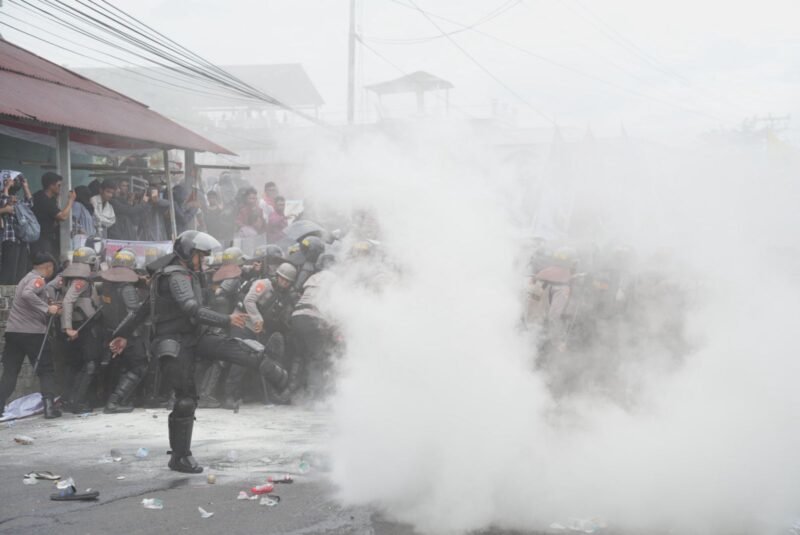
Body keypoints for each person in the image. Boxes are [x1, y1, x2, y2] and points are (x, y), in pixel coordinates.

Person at [109, 230, 288, 474]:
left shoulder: (182, 273)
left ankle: (275, 372)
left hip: (194, 335)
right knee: (185, 400)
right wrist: (226, 319)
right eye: (199, 256)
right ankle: (180, 457)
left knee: (231, 347)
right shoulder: (176, 276)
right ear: (187, 253)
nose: (202, 261)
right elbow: (189, 308)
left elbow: (141, 311)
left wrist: (120, 333)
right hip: (174, 341)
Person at [0, 252, 62, 419]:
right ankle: (49, 408)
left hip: (14, 333)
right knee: (46, 370)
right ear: (48, 267)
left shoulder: (25, 278)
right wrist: (47, 309)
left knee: (10, 372)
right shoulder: (38, 279)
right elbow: (28, 294)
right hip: (33, 334)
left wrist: (47, 304)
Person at [99, 249, 148, 413]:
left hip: (110, 331)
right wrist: (124, 335)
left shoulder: (107, 285)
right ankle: (114, 402)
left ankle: (113, 399)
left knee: (120, 367)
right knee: (138, 367)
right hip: (127, 335)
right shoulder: (127, 288)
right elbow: (133, 313)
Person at [60, 246, 103, 413]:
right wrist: (67, 327)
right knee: (90, 363)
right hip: (83, 327)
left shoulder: (67, 278)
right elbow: (67, 301)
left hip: (81, 325)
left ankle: (70, 399)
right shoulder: (80, 280)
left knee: (76, 364)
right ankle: (77, 402)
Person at [0, 171, 34, 284]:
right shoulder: (4, 198)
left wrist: (26, 187)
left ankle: (16, 296)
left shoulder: (17, 199)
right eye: (13, 180)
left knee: (20, 273)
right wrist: (6, 188)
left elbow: (29, 204)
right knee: (9, 271)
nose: (15, 182)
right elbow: (4, 203)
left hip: (21, 239)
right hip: (9, 239)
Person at [32, 172, 75, 259]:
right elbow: (62, 216)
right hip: (42, 239)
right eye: (58, 185)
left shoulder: (40, 195)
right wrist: (71, 200)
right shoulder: (44, 200)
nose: (60, 188)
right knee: (46, 265)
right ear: (51, 185)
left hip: (41, 237)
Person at [71, 185, 96, 250]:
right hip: (81, 240)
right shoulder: (77, 205)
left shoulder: (86, 207)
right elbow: (73, 221)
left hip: (89, 240)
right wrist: (80, 229)